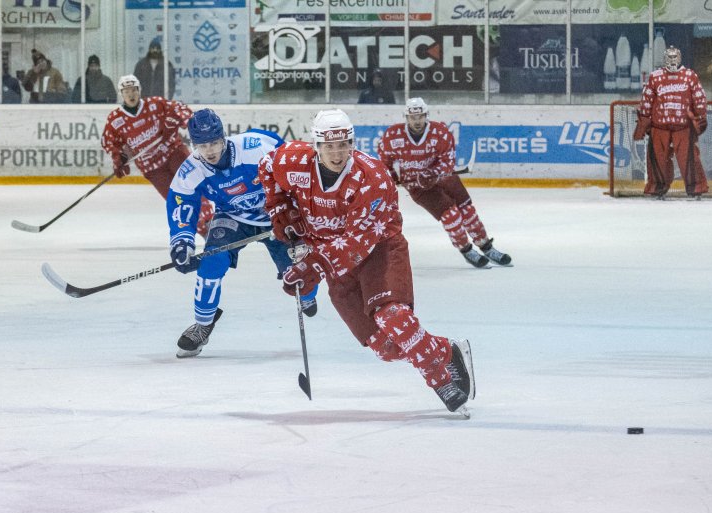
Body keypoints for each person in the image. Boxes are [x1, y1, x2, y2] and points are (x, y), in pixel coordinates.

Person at [259, 108, 475, 415]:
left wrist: (313, 266)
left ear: (351, 142)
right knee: (385, 349)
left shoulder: (371, 177)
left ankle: (440, 380)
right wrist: (280, 209)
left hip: (378, 251)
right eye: (329, 146)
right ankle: (445, 350)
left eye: (343, 144)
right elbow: (266, 166)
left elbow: (358, 241)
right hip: (334, 263)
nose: (337, 153)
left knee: (392, 317)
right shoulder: (291, 161)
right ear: (316, 145)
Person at [166, 109, 318, 358]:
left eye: (214, 142)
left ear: (224, 137)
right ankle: (203, 325)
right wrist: (182, 242)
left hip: (275, 214)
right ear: (193, 145)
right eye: (203, 146)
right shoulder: (191, 169)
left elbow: (297, 170)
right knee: (211, 262)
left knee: (299, 273)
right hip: (232, 217)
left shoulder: (257, 147)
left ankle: (308, 295)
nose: (211, 151)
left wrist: (298, 212)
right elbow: (182, 203)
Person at [377, 98, 512, 269]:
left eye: (420, 116)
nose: (417, 120)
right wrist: (393, 178)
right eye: (413, 117)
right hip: (418, 187)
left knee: (467, 211)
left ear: (426, 115)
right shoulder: (393, 136)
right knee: (451, 216)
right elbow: (384, 162)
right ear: (406, 117)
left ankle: (487, 246)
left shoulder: (439, 132)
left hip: (444, 178)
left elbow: (448, 161)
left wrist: (431, 173)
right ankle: (466, 250)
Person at [101, 74, 212, 236]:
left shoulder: (155, 104)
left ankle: (211, 222)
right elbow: (108, 142)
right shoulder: (115, 119)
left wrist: (179, 120)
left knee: (194, 184)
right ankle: (203, 231)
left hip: (174, 152)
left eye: (133, 90)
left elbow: (181, 109)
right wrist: (118, 157)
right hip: (152, 168)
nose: (130, 94)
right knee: (177, 201)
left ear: (139, 90)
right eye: (126, 91)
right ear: (121, 94)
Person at [633, 46, 708, 200]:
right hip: (659, 126)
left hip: (683, 126)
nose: (672, 60)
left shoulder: (690, 76)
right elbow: (647, 99)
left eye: (675, 57)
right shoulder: (655, 76)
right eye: (669, 57)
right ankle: (657, 187)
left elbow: (699, 97)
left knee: (689, 158)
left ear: (679, 58)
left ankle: (696, 188)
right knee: (657, 159)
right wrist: (645, 120)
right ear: (664, 58)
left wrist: (700, 116)